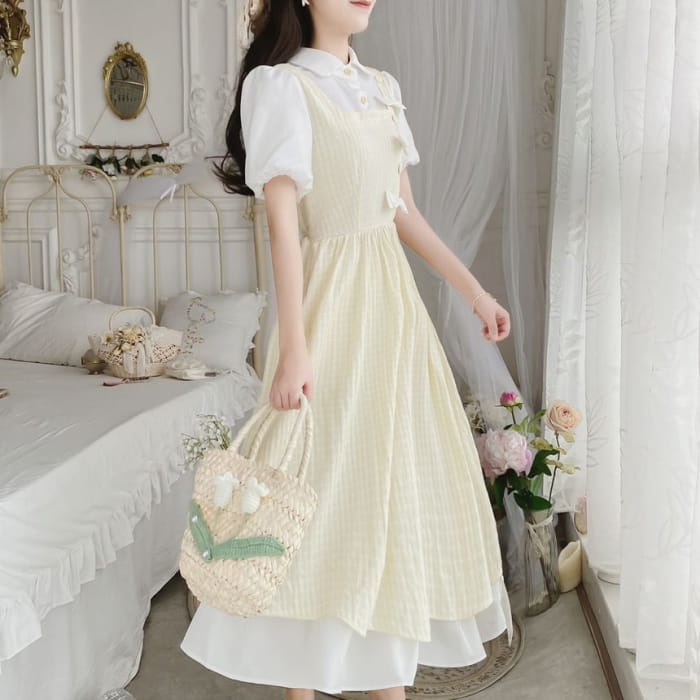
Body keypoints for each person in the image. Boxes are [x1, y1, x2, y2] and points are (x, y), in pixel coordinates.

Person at [180, 1, 514, 698]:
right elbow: (282, 227)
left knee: (386, 491)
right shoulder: (280, 86)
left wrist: (474, 292)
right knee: (317, 494)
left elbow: (404, 213)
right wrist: (293, 349)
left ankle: (385, 680)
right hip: (327, 313)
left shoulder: (380, 87)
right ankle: (301, 684)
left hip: (393, 318)